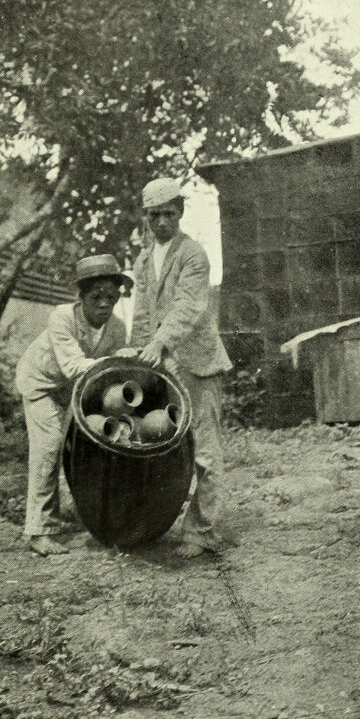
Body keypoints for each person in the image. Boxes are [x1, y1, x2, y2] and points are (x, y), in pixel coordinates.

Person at [130, 177, 232, 558]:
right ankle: (156, 522)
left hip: (198, 362)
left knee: (205, 452)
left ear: (181, 212)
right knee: (162, 444)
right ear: (146, 216)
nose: (161, 222)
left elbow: (189, 307)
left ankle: (203, 532)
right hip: (163, 365)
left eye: (168, 214)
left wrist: (159, 342)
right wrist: (139, 350)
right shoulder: (143, 261)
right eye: (154, 215)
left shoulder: (193, 255)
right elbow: (142, 315)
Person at [16, 254, 131, 555]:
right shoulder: (62, 316)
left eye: (111, 297)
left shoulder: (117, 328)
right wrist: (118, 360)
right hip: (41, 383)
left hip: (72, 390)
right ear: (80, 298)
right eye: (96, 297)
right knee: (50, 446)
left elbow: (111, 378)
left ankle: (87, 515)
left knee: (85, 446)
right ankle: (37, 530)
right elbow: (73, 366)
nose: (104, 304)